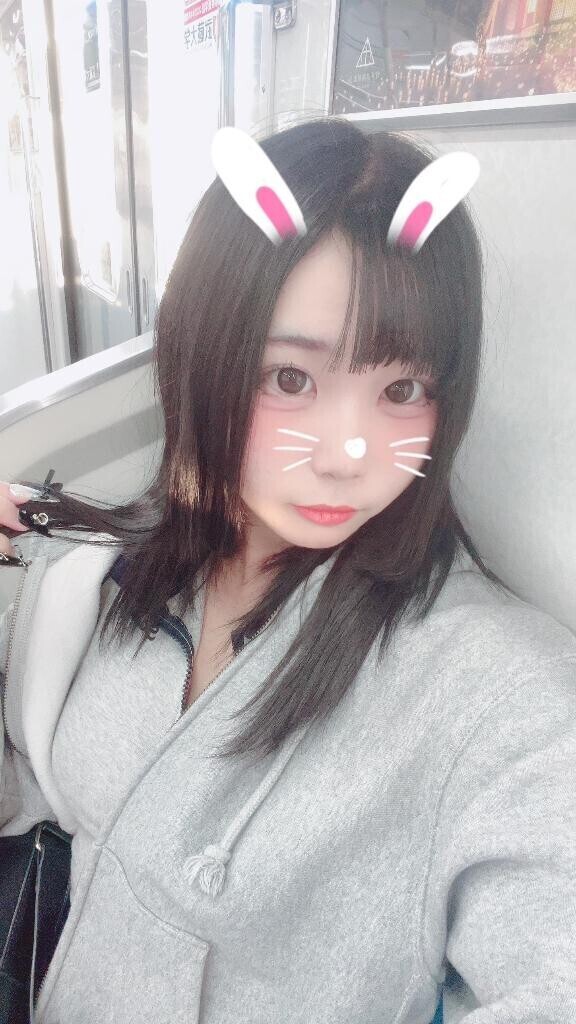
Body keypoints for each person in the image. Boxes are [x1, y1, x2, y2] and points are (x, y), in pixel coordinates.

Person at [1, 116, 575, 1024]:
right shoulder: (126, 570)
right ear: (201, 357)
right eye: (291, 379)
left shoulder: (498, 692)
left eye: (401, 390)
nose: (349, 457)